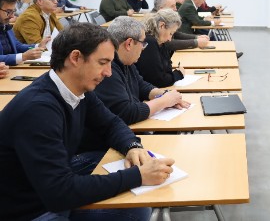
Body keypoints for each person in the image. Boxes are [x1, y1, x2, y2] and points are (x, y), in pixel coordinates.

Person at [0, 23, 174, 220]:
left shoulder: (77, 89)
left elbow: (112, 123)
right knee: (134, 211)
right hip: (29, 208)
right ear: (75, 58)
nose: (109, 72)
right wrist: (139, 176)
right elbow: (59, 193)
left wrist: (133, 146)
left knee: (114, 163)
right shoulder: (38, 110)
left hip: (44, 183)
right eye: (102, 62)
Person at [81, 17, 189, 152]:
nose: (144, 48)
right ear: (129, 43)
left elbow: (140, 84)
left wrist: (162, 94)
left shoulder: (126, 61)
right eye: (143, 43)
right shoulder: (108, 70)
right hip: (105, 147)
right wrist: (164, 101)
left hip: (124, 137)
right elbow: (126, 113)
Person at [135, 9, 187, 88]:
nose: (170, 39)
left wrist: (171, 75)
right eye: (170, 33)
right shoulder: (149, 42)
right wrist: (178, 74)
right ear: (162, 26)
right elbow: (159, 81)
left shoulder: (160, 41)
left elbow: (167, 69)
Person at [0, 0, 49, 65]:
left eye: (13, 11)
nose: (12, 16)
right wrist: (23, 56)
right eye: (8, 12)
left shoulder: (5, 26)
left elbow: (17, 46)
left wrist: (37, 46)